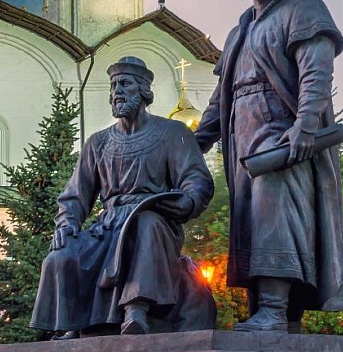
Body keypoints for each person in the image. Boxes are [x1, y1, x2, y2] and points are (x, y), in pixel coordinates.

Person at [195, 0, 343, 333]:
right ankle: (276, 313)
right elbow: (222, 95)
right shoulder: (240, 30)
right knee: (250, 219)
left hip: (282, 132)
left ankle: (275, 310)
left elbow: (316, 72)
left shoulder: (303, 9)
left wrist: (305, 125)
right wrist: (196, 143)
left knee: (274, 212)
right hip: (242, 135)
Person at [31, 57, 216, 337]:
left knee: (146, 223)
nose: (117, 91)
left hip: (156, 220)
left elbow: (196, 180)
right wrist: (66, 224)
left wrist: (188, 201)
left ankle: (136, 310)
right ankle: (71, 324)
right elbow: (75, 195)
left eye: (125, 84)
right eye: (113, 85)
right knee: (63, 254)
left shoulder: (172, 133)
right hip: (108, 226)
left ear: (143, 91)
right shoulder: (98, 142)